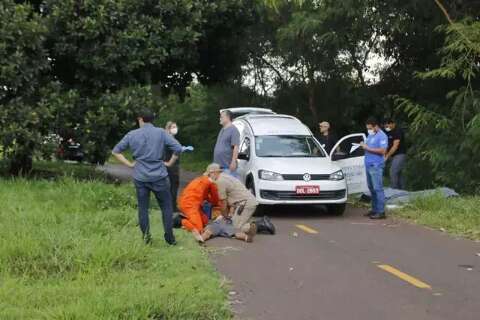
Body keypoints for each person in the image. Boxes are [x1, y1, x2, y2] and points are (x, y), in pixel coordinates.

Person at [112, 109, 182, 245]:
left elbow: (116, 151)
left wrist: (130, 164)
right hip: (160, 176)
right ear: (152, 119)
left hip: (140, 177)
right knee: (166, 207)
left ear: (140, 119)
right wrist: (169, 162)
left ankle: (146, 239)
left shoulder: (132, 134)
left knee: (143, 208)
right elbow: (178, 148)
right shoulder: (161, 133)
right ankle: (169, 238)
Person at [195, 163, 259, 243]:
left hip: (244, 204)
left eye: (209, 175)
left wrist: (224, 216)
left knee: (233, 228)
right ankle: (249, 225)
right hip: (245, 202)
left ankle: (249, 228)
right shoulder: (225, 176)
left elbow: (223, 203)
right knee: (233, 223)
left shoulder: (219, 182)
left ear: (214, 173)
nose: (208, 177)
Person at [177, 172, 221, 242]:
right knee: (198, 229)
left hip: (191, 203)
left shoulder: (201, 180)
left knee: (205, 221)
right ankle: (181, 221)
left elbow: (206, 197)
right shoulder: (211, 183)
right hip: (190, 205)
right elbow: (215, 200)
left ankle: (187, 222)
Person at [360, 117, 388, 219]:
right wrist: (363, 145)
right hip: (368, 165)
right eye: (368, 128)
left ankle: (381, 212)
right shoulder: (370, 135)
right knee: (371, 188)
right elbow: (368, 146)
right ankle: (374, 209)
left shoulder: (382, 136)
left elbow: (383, 151)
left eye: (370, 128)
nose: (369, 130)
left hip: (376, 165)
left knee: (378, 188)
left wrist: (367, 148)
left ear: (376, 126)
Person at [213, 110, 240, 178]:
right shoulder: (222, 130)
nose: (220, 118)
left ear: (227, 117)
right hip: (218, 166)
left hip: (227, 167)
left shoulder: (234, 130)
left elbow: (236, 147)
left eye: (222, 117)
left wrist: (233, 162)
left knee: (228, 187)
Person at [384, 119, 407, 190]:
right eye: (385, 126)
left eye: (388, 126)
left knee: (393, 171)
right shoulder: (388, 132)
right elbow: (387, 145)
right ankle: (402, 190)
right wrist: (385, 154)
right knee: (399, 173)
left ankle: (394, 189)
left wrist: (387, 156)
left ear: (393, 124)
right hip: (393, 155)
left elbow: (395, 146)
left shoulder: (398, 131)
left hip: (400, 154)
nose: (387, 127)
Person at [164, 121, 181, 212]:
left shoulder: (168, 139)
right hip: (171, 166)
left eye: (176, 126)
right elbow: (175, 151)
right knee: (173, 187)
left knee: (171, 187)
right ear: (168, 129)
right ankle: (173, 208)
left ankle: (171, 206)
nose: (175, 129)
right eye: (173, 127)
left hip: (170, 165)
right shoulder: (170, 140)